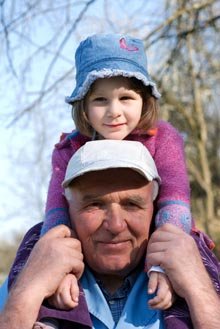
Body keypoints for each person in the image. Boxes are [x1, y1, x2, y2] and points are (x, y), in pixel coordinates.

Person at [38, 33, 192, 312]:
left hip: (159, 232)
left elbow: (175, 198)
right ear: (83, 105)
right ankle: (47, 314)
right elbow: (56, 212)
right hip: (88, 242)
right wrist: (63, 271)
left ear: (144, 100)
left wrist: (164, 263)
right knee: (37, 248)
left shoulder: (163, 137)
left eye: (126, 98)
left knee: (196, 259)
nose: (114, 111)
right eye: (100, 100)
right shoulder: (69, 147)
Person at [1, 140, 220, 329]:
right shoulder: (28, 274)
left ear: (155, 209)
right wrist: (26, 295)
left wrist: (199, 290)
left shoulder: (197, 270)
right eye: (94, 204)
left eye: (132, 204)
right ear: (67, 210)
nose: (115, 225)